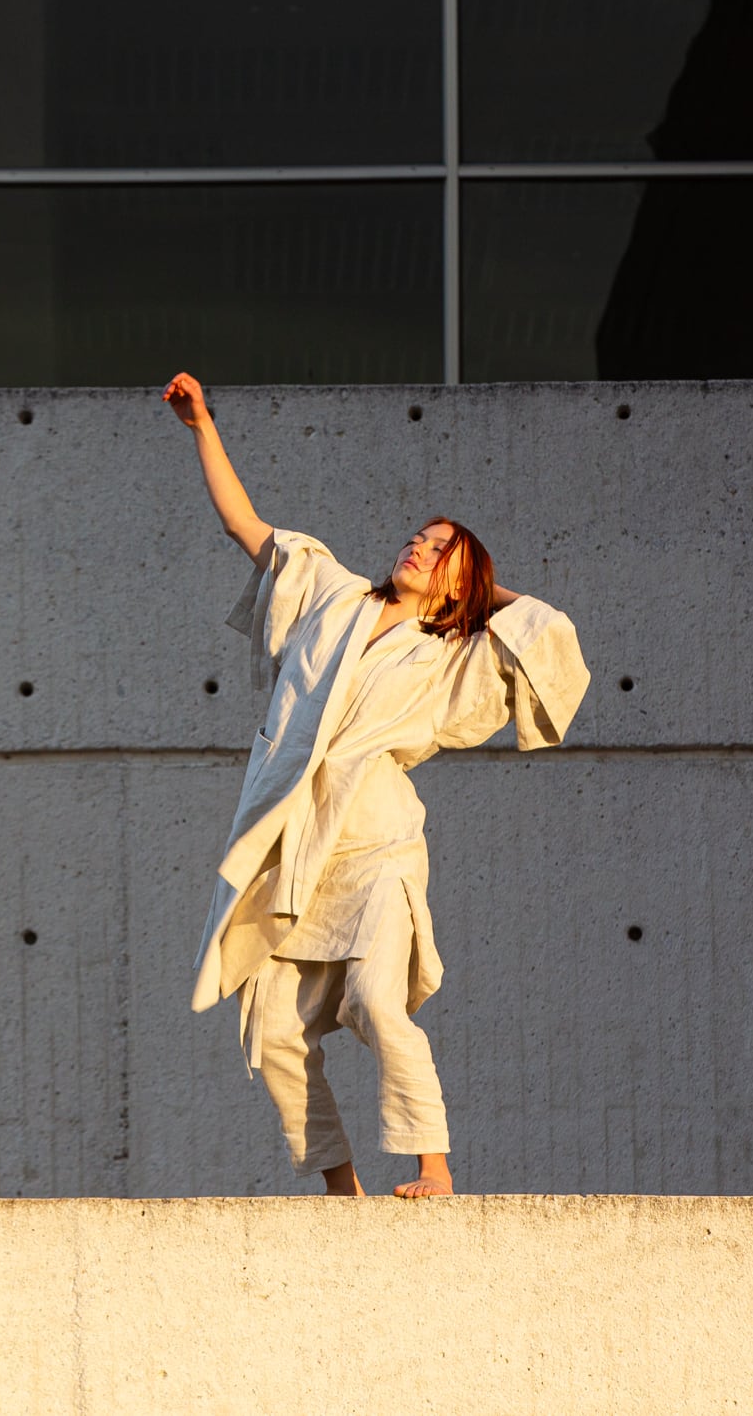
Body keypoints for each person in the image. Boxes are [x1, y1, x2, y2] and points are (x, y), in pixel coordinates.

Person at [161, 371, 590, 1199]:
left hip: (379, 845)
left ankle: (433, 1166)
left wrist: (475, 581)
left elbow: (546, 630)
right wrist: (202, 426)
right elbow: (245, 526)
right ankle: (341, 1187)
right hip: (301, 846)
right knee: (275, 1028)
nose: (416, 548)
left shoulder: (450, 656)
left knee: (373, 999)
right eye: (417, 537)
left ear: (459, 583)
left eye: (437, 550)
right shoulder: (330, 594)